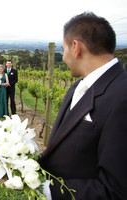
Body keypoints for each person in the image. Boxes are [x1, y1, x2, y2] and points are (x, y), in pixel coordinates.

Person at [38, 12, 127, 199]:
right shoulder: (78, 86)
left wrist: (46, 189)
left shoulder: (122, 96)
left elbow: (116, 190)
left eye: (64, 50)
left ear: (76, 47)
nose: (63, 58)